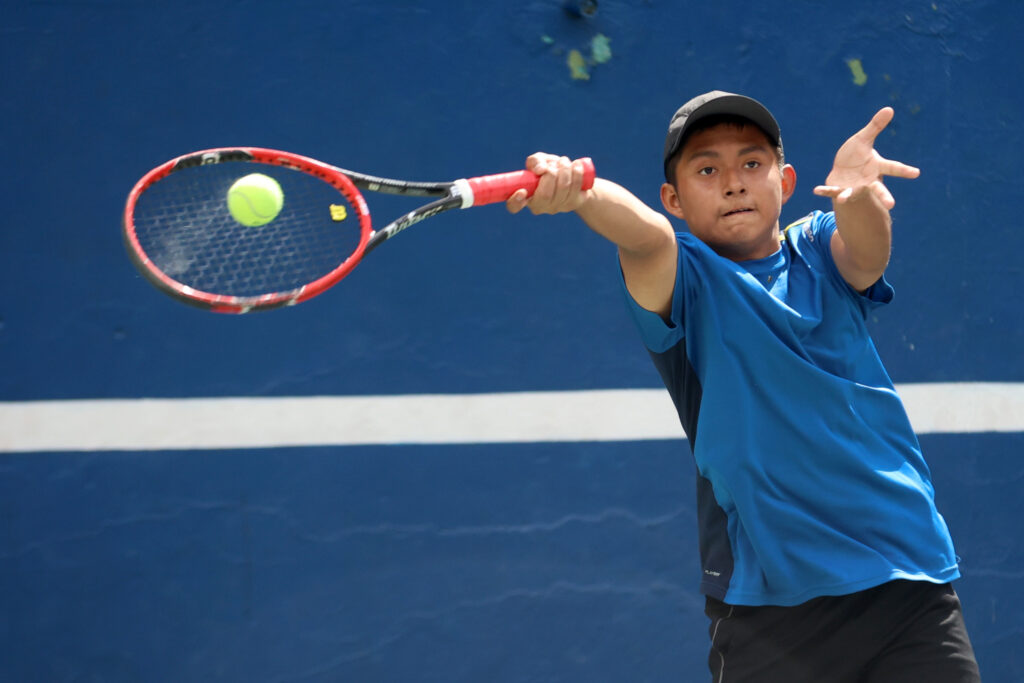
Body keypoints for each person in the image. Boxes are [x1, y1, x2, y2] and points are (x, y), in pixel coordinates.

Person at [506, 91, 981, 682]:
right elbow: (646, 237)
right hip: (770, 612)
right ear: (674, 199)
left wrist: (858, 197)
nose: (733, 183)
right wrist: (582, 191)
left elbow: (866, 251)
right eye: (708, 170)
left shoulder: (820, 250)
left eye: (751, 164)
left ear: (785, 182)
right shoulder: (685, 281)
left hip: (907, 580)